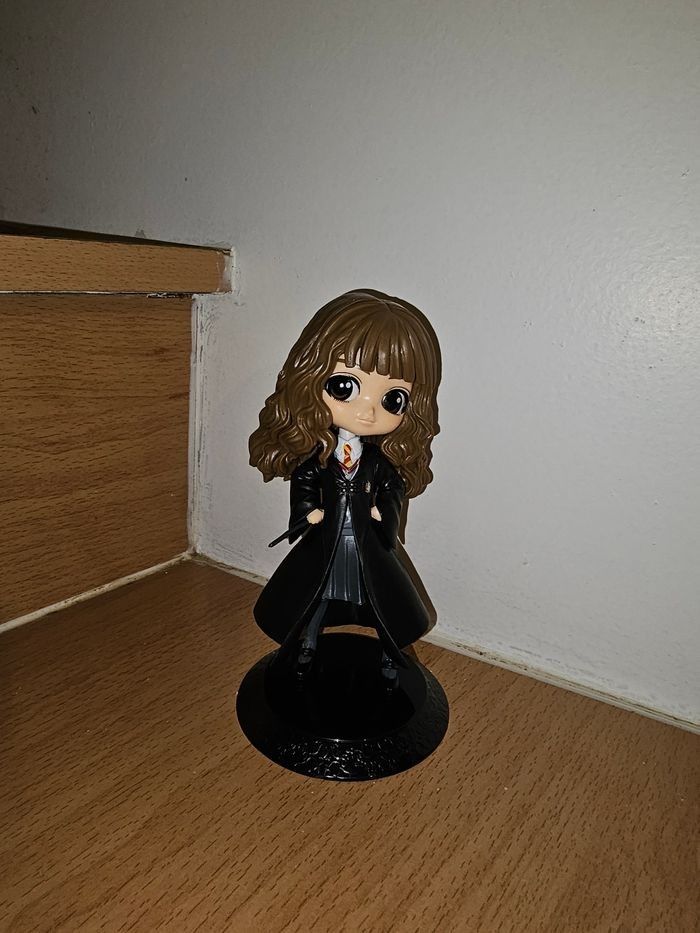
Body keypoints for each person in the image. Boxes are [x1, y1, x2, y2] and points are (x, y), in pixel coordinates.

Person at [249, 289, 441, 688]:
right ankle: (306, 646)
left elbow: (392, 488)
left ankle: (391, 655)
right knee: (316, 597)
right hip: (328, 542)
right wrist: (308, 511)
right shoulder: (319, 457)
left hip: (366, 545)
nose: (367, 411)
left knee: (383, 604)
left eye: (392, 398)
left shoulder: (377, 462)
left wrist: (384, 512)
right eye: (344, 387)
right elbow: (304, 483)